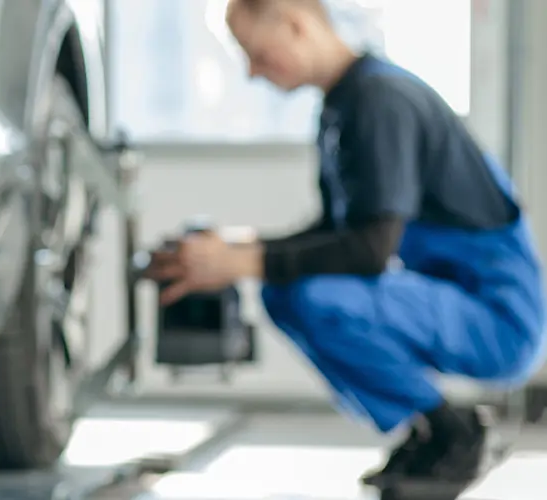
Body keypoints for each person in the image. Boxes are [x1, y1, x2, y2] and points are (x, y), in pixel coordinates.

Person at [147, 0, 547, 488]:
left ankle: (454, 432)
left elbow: (369, 250)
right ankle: (426, 429)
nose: (252, 73)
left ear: (295, 25)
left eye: (254, 53)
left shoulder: (381, 100)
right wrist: (236, 247)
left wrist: (241, 261)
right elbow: (336, 232)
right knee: (283, 289)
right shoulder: (345, 105)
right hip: (450, 300)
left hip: (499, 320)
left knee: (306, 294)